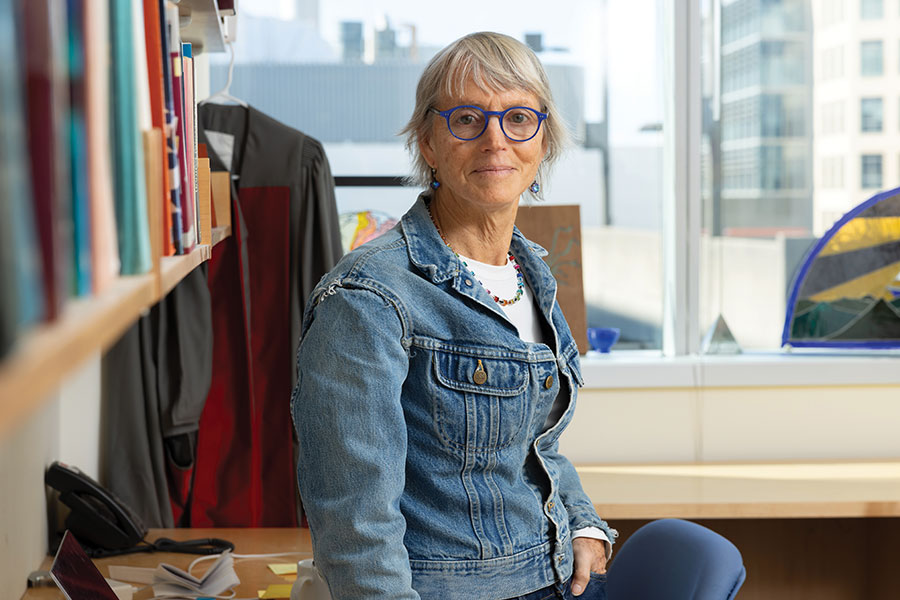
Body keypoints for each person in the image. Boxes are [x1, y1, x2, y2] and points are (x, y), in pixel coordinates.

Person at [291, 31, 616, 600]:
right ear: (429, 144)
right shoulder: (368, 296)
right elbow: (355, 523)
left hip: (553, 579)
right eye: (467, 120)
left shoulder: (530, 272)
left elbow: (536, 445)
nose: (496, 140)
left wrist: (582, 522)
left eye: (518, 118)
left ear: (542, 142)